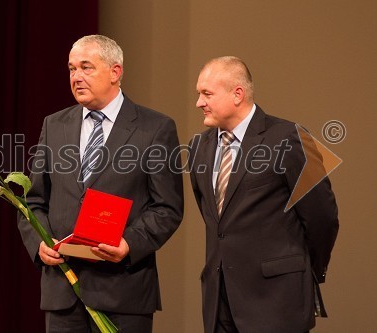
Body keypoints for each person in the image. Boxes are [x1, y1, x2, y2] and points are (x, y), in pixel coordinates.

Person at [18, 35, 184, 333]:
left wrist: (129, 244)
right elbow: (33, 201)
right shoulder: (54, 125)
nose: (76, 77)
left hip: (123, 292)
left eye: (86, 67)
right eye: (71, 69)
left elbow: (167, 208)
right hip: (63, 294)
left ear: (115, 72)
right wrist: (40, 243)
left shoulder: (155, 128)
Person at [189, 56, 339, 333]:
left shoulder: (289, 137)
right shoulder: (199, 146)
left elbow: (322, 217)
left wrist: (305, 270)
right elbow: (217, 220)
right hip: (219, 303)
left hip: (276, 302)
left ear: (237, 94)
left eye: (206, 94)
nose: (199, 102)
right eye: (199, 94)